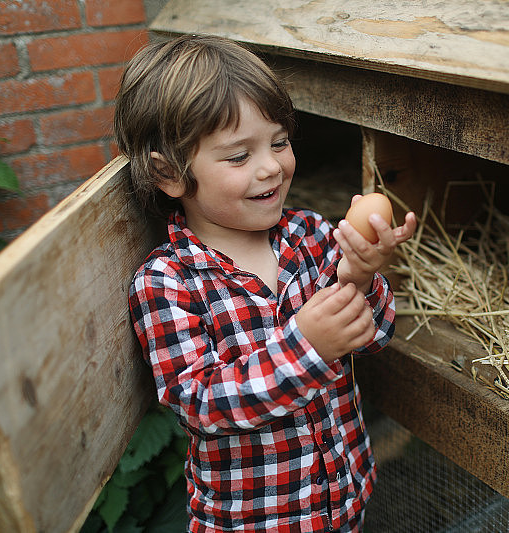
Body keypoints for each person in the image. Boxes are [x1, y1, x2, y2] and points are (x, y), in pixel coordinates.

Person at [116, 34, 417, 532]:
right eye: (239, 156)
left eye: (279, 142)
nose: (272, 166)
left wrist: (360, 277)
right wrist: (306, 348)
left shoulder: (311, 235)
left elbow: (376, 336)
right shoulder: (168, 282)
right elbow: (200, 404)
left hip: (343, 503)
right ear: (169, 175)